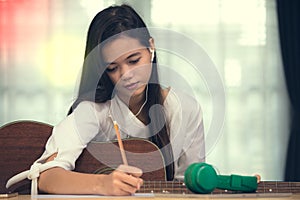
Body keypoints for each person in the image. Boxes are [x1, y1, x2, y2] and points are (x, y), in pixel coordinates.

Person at [6, 4, 205, 196]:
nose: (126, 74)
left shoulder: (185, 108)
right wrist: (103, 184)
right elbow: (47, 176)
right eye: (112, 68)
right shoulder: (95, 110)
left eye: (134, 60)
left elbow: (190, 186)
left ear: (151, 47)